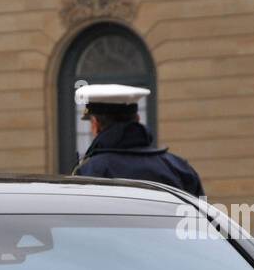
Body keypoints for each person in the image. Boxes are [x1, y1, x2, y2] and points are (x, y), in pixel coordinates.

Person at [71, 84, 204, 196]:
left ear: (95, 124)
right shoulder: (179, 167)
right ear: (138, 119)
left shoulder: (90, 171)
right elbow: (203, 220)